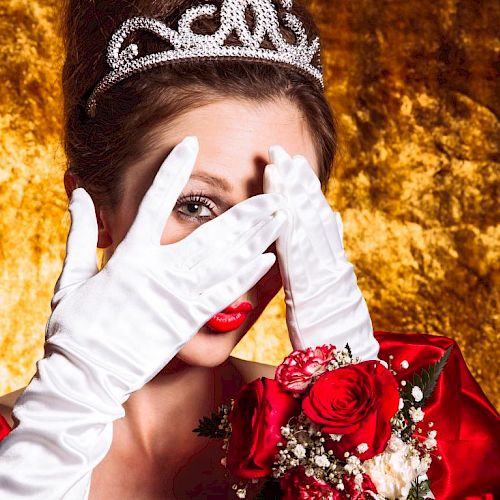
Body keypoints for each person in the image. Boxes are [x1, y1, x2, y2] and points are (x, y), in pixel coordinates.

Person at [0, 1, 498, 499]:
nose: (238, 261)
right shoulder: (19, 450)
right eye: (195, 206)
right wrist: (64, 414)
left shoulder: (427, 437)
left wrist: (361, 439)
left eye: (275, 211)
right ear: (97, 211)